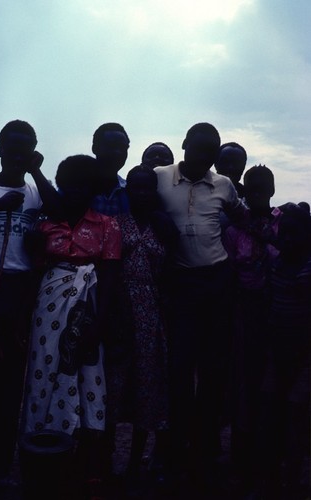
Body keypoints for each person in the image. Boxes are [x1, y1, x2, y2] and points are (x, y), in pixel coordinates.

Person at [154, 122, 247, 493]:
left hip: (217, 282)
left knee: (212, 372)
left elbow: (242, 218)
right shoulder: (159, 178)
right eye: (199, 146)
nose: (204, 154)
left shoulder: (222, 184)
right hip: (179, 284)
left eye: (212, 149)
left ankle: (204, 454)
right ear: (184, 145)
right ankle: (176, 453)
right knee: (178, 371)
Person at [20, 155, 122, 495]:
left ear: (92, 189)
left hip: (89, 310)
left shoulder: (108, 225)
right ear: (60, 186)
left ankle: (86, 462)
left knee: (88, 378)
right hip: (47, 313)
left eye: (82, 185)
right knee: (44, 371)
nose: (74, 191)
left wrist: (99, 321)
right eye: (68, 185)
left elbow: (108, 277)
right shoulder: (46, 226)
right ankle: (43, 451)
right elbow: (35, 272)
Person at [0, 119, 57, 489]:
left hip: (21, 291)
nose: (20, 153)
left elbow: (56, 208)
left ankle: (2, 464)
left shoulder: (35, 192)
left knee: (10, 381)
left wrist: (37, 170)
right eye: (14, 146)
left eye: (28, 148)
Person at [105, 165, 179, 487]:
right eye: (136, 188)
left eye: (148, 188)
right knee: (112, 390)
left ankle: (135, 464)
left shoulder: (164, 227)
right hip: (120, 317)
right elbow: (108, 276)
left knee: (146, 391)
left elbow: (172, 274)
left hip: (152, 317)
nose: (142, 193)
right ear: (128, 191)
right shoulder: (115, 226)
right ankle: (104, 465)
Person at [223, 165, 282, 492]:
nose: (259, 193)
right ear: (245, 190)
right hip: (245, 315)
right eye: (253, 188)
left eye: (265, 187)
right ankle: (241, 462)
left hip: (279, 316)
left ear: (273, 189)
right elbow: (230, 275)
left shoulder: (285, 223)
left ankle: (270, 463)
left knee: (272, 389)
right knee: (244, 388)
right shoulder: (234, 230)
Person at [257, 203, 311, 499]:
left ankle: (292, 479)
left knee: (294, 414)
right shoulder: (276, 264)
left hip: (303, 357)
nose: (288, 240)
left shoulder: (306, 270)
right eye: (285, 234)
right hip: (278, 353)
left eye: (296, 235)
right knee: (273, 414)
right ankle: (272, 478)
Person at [91, 122, 130, 216]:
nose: (117, 152)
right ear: (94, 148)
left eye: (122, 148)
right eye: (111, 146)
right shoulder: (75, 188)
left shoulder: (129, 191)